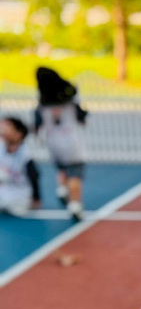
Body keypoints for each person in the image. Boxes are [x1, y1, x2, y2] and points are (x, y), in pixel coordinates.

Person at [34, 66, 88, 222]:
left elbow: (37, 124)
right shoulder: (70, 103)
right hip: (71, 142)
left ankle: (62, 189)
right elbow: (82, 117)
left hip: (53, 142)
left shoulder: (43, 105)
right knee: (75, 173)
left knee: (62, 167)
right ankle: (75, 204)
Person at [0, 117, 41, 217]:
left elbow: (34, 176)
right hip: (5, 191)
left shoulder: (25, 154)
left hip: (20, 196)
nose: (3, 130)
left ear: (18, 134)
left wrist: (36, 198)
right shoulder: (2, 148)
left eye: (8, 127)